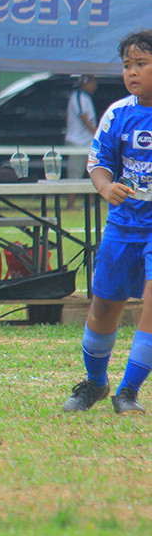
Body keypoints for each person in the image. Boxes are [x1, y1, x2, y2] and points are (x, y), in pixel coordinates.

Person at [62, 30, 152, 416]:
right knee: (103, 308)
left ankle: (129, 391)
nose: (131, 72)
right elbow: (98, 163)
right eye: (127, 65)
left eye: (141, 64)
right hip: (122, 226)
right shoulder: (117, 113)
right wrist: (105, 187)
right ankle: (96, 383)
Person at [65, 74, 99, 209]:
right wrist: (98, 134)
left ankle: (89, 204)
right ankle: (71, 205)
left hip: (88, 142)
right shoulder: (78, 96)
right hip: (77, 142)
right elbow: (83, 117)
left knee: (93, 172)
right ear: (87, 82)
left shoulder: (86, 97)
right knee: (74, 174)